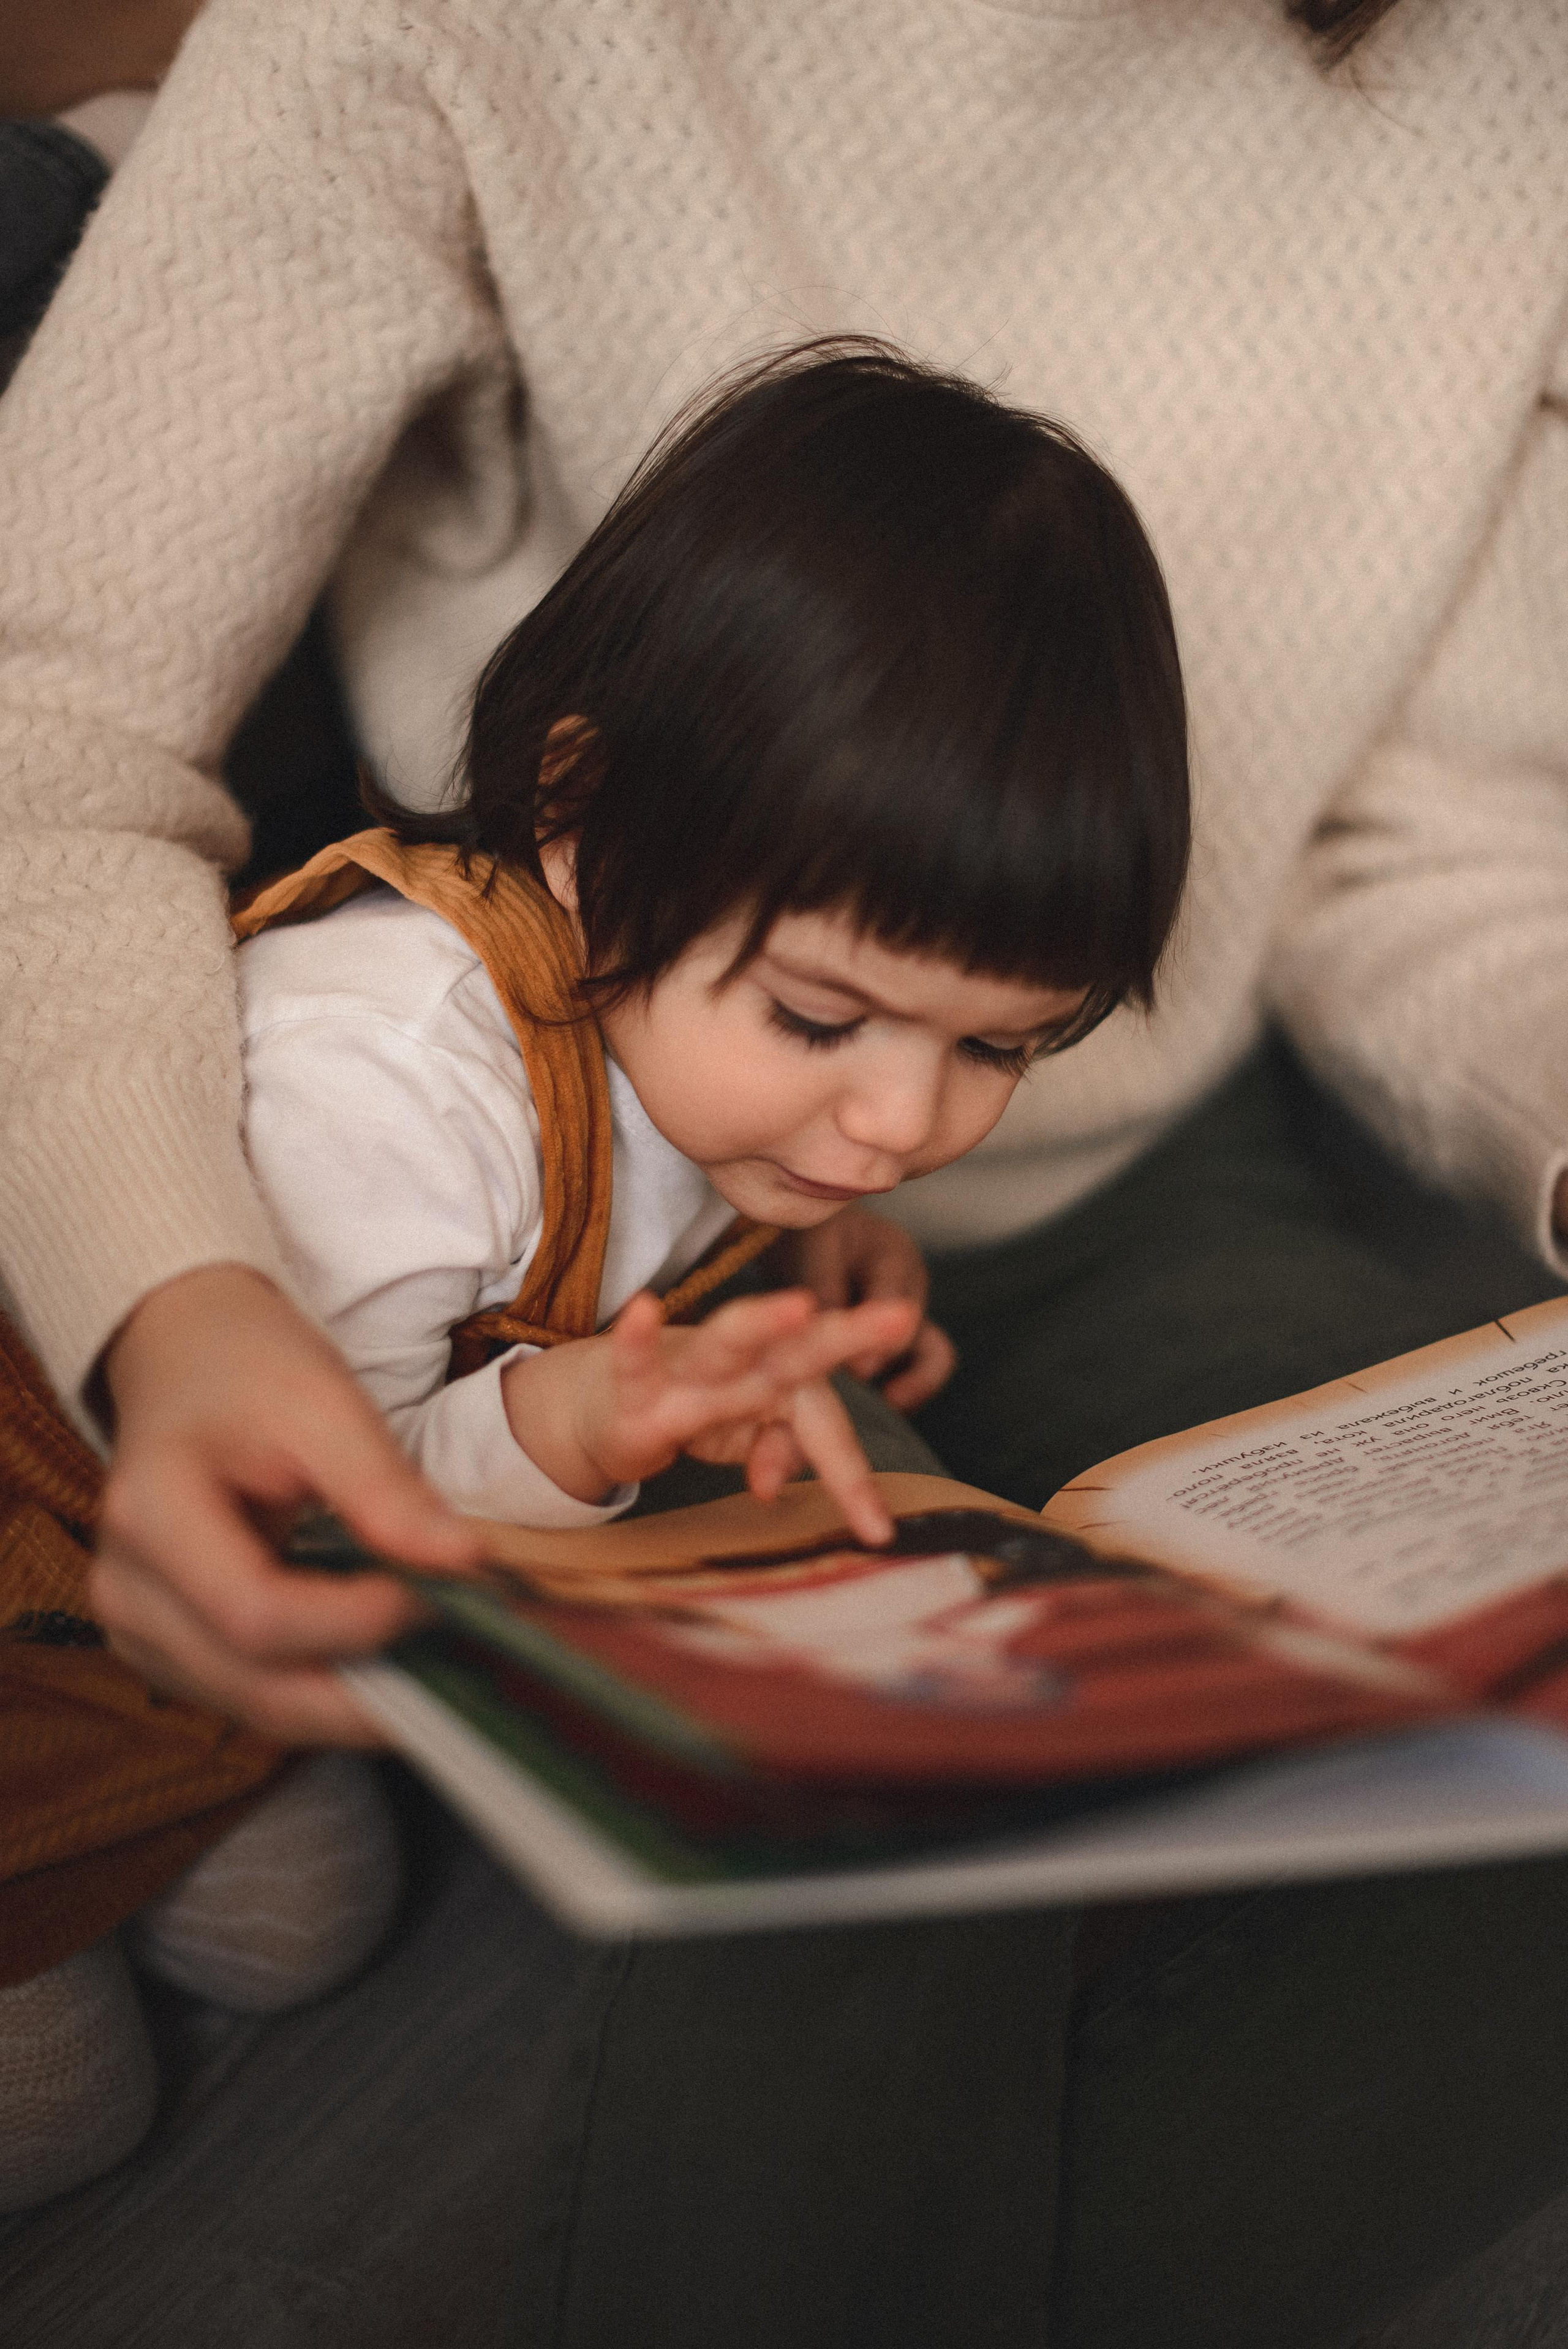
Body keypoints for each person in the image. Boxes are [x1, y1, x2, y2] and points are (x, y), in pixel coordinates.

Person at [2, 0, 1567, 2338]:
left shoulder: (1511, 71)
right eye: (835, 1022)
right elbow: (53, 713)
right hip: (549, 1278)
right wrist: (189, 1302)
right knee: (871, 1861)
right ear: (578, 793)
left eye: (988, 1048)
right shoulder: (409, 1067)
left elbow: (1433, 846)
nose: (907, 1109)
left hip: (1111, 1180)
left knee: (1483, 1759)